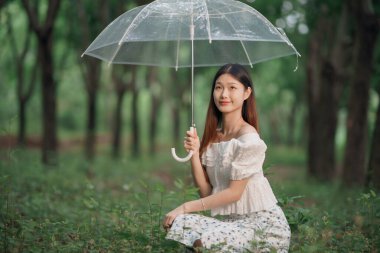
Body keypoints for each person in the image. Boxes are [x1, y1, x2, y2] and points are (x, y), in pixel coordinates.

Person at [163, 64, 290, 252]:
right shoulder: (215, 137)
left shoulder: (249, 138)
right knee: (179, 223)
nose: (223, 94)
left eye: (232, 88)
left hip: (263, 228)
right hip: (232, 226)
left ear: (246, 93)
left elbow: (233, 193)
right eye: (218, 87)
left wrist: (185, 206)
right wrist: (195, 154)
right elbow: (207, 194)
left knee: (201, 242)